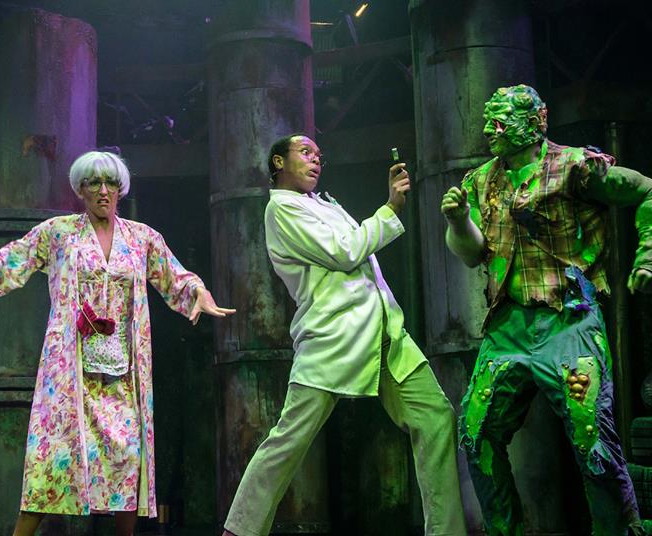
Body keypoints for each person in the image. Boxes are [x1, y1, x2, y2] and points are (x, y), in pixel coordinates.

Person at [0, 151, 235, 536]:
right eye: (93, 183)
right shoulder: (59, 232)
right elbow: (15, 255)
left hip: (123, 371)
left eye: (111, 183)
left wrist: (197, 292)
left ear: (121, 189)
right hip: (70, 371)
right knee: (52, 459)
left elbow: (175, 276)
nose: (103, 191)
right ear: (80, 190)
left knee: (126, 457)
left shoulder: (141, 238)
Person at [221, 133, 467, 536]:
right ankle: (240, 530)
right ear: (278, 162)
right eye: (305, 152)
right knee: (289, 439)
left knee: (436, 419)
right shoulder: (281, 209)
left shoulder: (323, 203)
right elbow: (346, 252)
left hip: (385, 333)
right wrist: (390, 208)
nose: (316, 160)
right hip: (333, 338)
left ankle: (448, 532)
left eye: (319, 155)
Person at [442, 84, 652, 535]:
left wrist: (647, 255)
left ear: (536, 122)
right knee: (476, 436)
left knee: (592, 438)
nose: (490, 129)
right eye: (488, 120)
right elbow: (472, 254)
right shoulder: (480, 180)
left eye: (501, 120)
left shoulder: (576, 165)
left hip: (569, 321)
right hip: (507, 325)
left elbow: (645, 191)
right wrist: (458, 220)